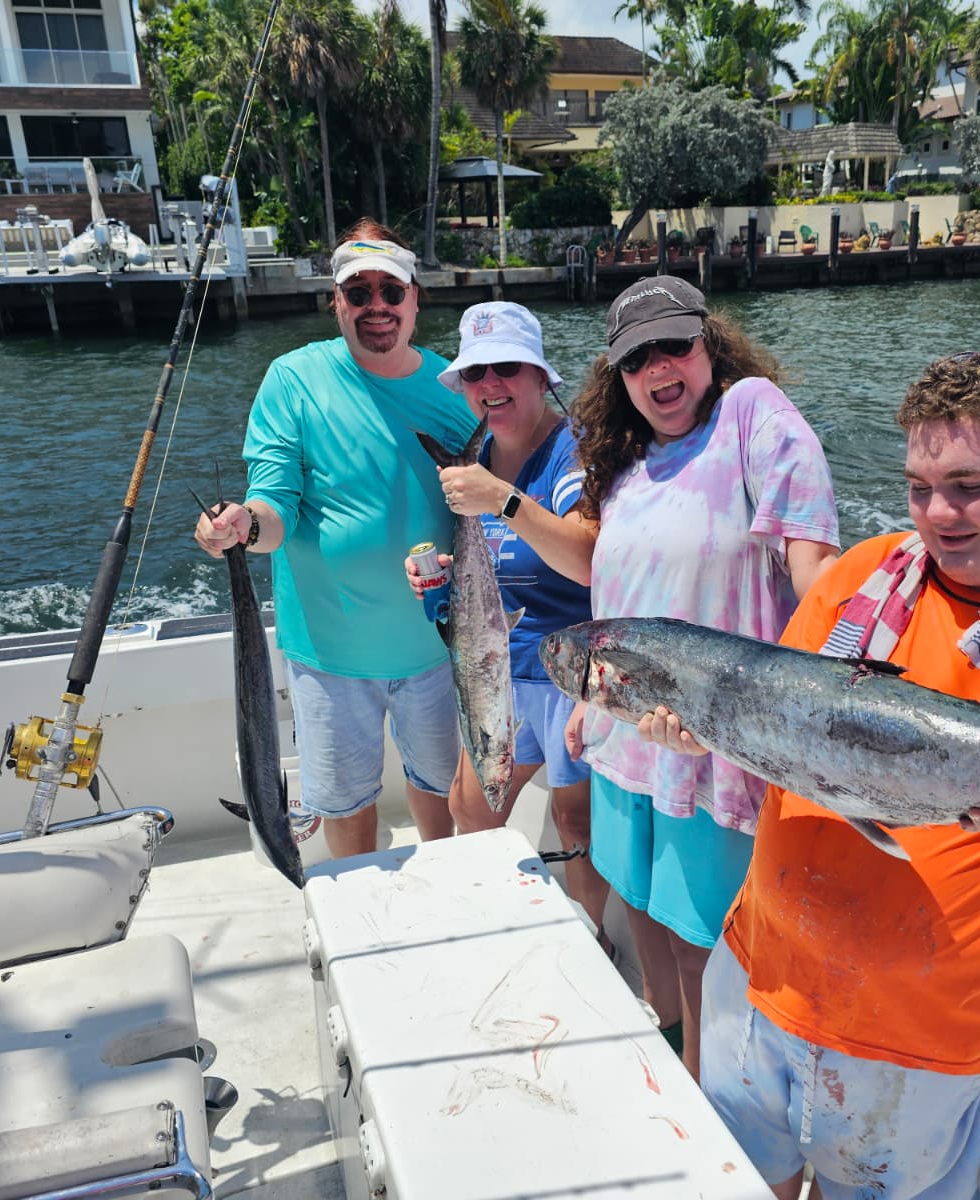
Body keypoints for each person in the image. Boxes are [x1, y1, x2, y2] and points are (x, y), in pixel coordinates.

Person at [650, 345, 980, 1199]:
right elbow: (781, 738)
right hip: (758, 973)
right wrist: (696, 730)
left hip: (922, 1040)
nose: (939, 514)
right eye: (920, 488)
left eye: (972, 485)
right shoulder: (861, 576)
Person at [568, 275, 840, 1077]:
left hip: (716, 743)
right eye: (636, 358)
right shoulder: (623, 464)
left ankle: (703, 1099)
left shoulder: (751, 412)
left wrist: (848, 697)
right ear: (617, 376)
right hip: (628, 734)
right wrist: (592, 702)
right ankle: (666, 1056)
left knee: (702, 944)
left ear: (708, 345)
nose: (660, 368)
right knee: (639, 904)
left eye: (675, 346)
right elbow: (617, 588)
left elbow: (814, 568)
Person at [193, 219, 475, 860]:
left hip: (436, 647)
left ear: (414, 299)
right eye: (359, 292)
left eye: (391, 292)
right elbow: (274, 501)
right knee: (347, 807)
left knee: (442, 792)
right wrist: (244, 525)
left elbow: (495, 490)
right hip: (327, 655)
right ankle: (366, 922)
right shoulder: (292, 381)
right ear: (336, 302)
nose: (377, 306)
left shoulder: (455, 389)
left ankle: (447, 888)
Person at [406, 300, 613, 954]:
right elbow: (493, 563)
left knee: (573, 816)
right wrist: (440, 581)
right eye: (474, 374)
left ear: (538, 375)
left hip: (573, 670)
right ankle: (490, 930)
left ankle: (595, 938)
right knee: (469, 805)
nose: (490, 384)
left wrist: (500, 496)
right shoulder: (479, 461)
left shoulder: (577, 450)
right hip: (496, 664)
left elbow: (584, 558)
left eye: (507, 368)